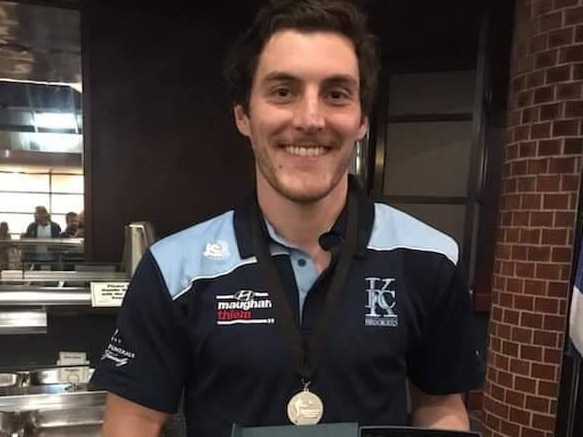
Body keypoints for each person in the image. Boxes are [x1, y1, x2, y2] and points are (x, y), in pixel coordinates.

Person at [91, 1, 484, 436]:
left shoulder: (430, 257)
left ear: (361, 121)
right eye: (283, 91)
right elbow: (133, 422)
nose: (310, 119)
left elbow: (441, 406)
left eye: (336, 94)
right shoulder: (173, 268)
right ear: (244, 115)